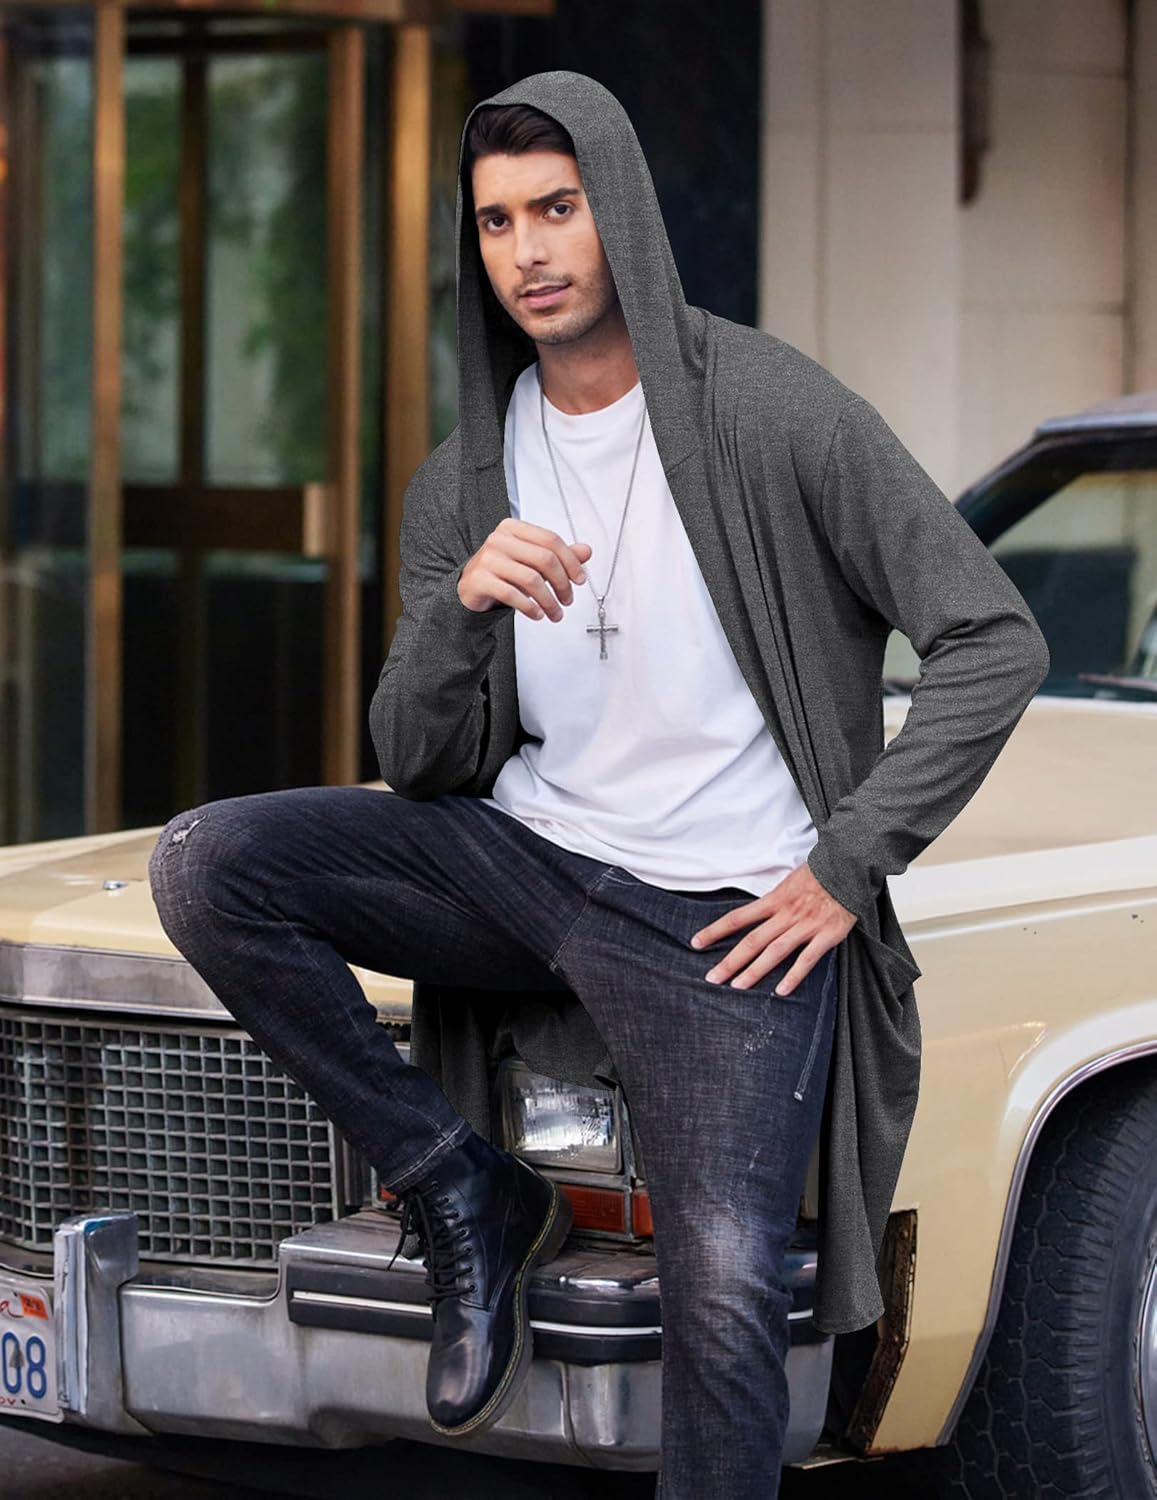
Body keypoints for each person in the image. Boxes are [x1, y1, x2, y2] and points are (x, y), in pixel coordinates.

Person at [149, 70, 1049, 1500]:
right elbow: (417, 761)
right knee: (211, 863)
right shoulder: (465, 478)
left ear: (616, 206)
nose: (530, 250)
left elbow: (992, 637)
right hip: (528, 862)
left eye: (557, 207)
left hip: (724, 914)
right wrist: (459, 611)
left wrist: (845, 865)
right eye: (498, 221)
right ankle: (459, 1184)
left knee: (725, 1290)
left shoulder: (774, 412)